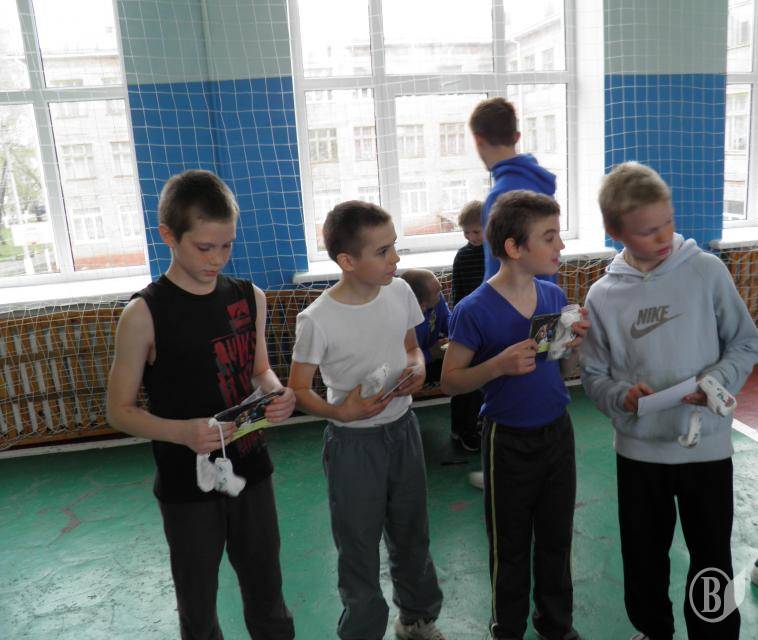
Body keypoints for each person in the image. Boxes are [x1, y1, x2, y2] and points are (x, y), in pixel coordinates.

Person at [106, 169, 295, 640]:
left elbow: (259, 370)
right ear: (168, 236)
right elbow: (119, 410)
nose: (217, 259)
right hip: (186, 486)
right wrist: (183, 432)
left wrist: (277, 394)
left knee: (268, 592)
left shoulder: (250, 297)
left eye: (227, 246)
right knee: (198, 605)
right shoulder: (144, 313)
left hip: (252, 471)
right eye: (204, 247)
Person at [580, 161, 758, 640]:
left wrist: (716, 381)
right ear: (616, 233)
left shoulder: (706, 271)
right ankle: (651, 630)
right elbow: (593, 375)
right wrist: (621, 397)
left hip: (706, 450)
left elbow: (745, 342)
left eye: (668, 223)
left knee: (711, 558)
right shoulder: (602, 295)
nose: (662, 237)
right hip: (639, 454)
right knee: (643, 557)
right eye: (646, 231)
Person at [288, 201, 446, 640]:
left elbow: (411, 347)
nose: (395, 258)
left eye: (394, 246)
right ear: (348, 261)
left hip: (404, 431)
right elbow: (298, 390)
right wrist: (341, 411)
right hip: (353, 446)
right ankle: (362, 631)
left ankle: (417, 619)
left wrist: (417, 367)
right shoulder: (317, 319)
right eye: (382, 251)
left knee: (412, 533)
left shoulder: (400, 291)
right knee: (358, 546)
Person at [441, 190, 589, 640]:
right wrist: (497, 366)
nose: (560, 245)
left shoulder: (553, 294)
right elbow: (451, 381)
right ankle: (507, 628)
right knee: (510, 544)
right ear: (514, 247)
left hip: (558, 432)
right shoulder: (472, 310)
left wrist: (572, 349)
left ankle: (556, 624)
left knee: (557, 537)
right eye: (549, 236)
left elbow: (562, 367)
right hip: (507, 440)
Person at [469, 97, 557, 282]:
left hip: (518, 299)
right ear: (516, 137)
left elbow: (498, 273)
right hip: (546, 293)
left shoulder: (499, 197)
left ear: (478, 140)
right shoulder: (538, 183)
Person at [401, 269, 479, 452]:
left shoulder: (438, 300)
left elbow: (448, 320)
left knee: (468, 368)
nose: (442, 292)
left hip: (435, 357)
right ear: (421, 302)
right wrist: (431, 353)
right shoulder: (401, 317)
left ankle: (463, 430)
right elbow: (399, 359)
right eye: (437, 291)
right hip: (408, 370)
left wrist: (458, 338)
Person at [451, 200, 485, 306]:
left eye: (476, 232)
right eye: (466, 232)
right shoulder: (461, 256)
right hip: (471, 309)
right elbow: (457, 291)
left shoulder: (498, 252)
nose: (472, 237)